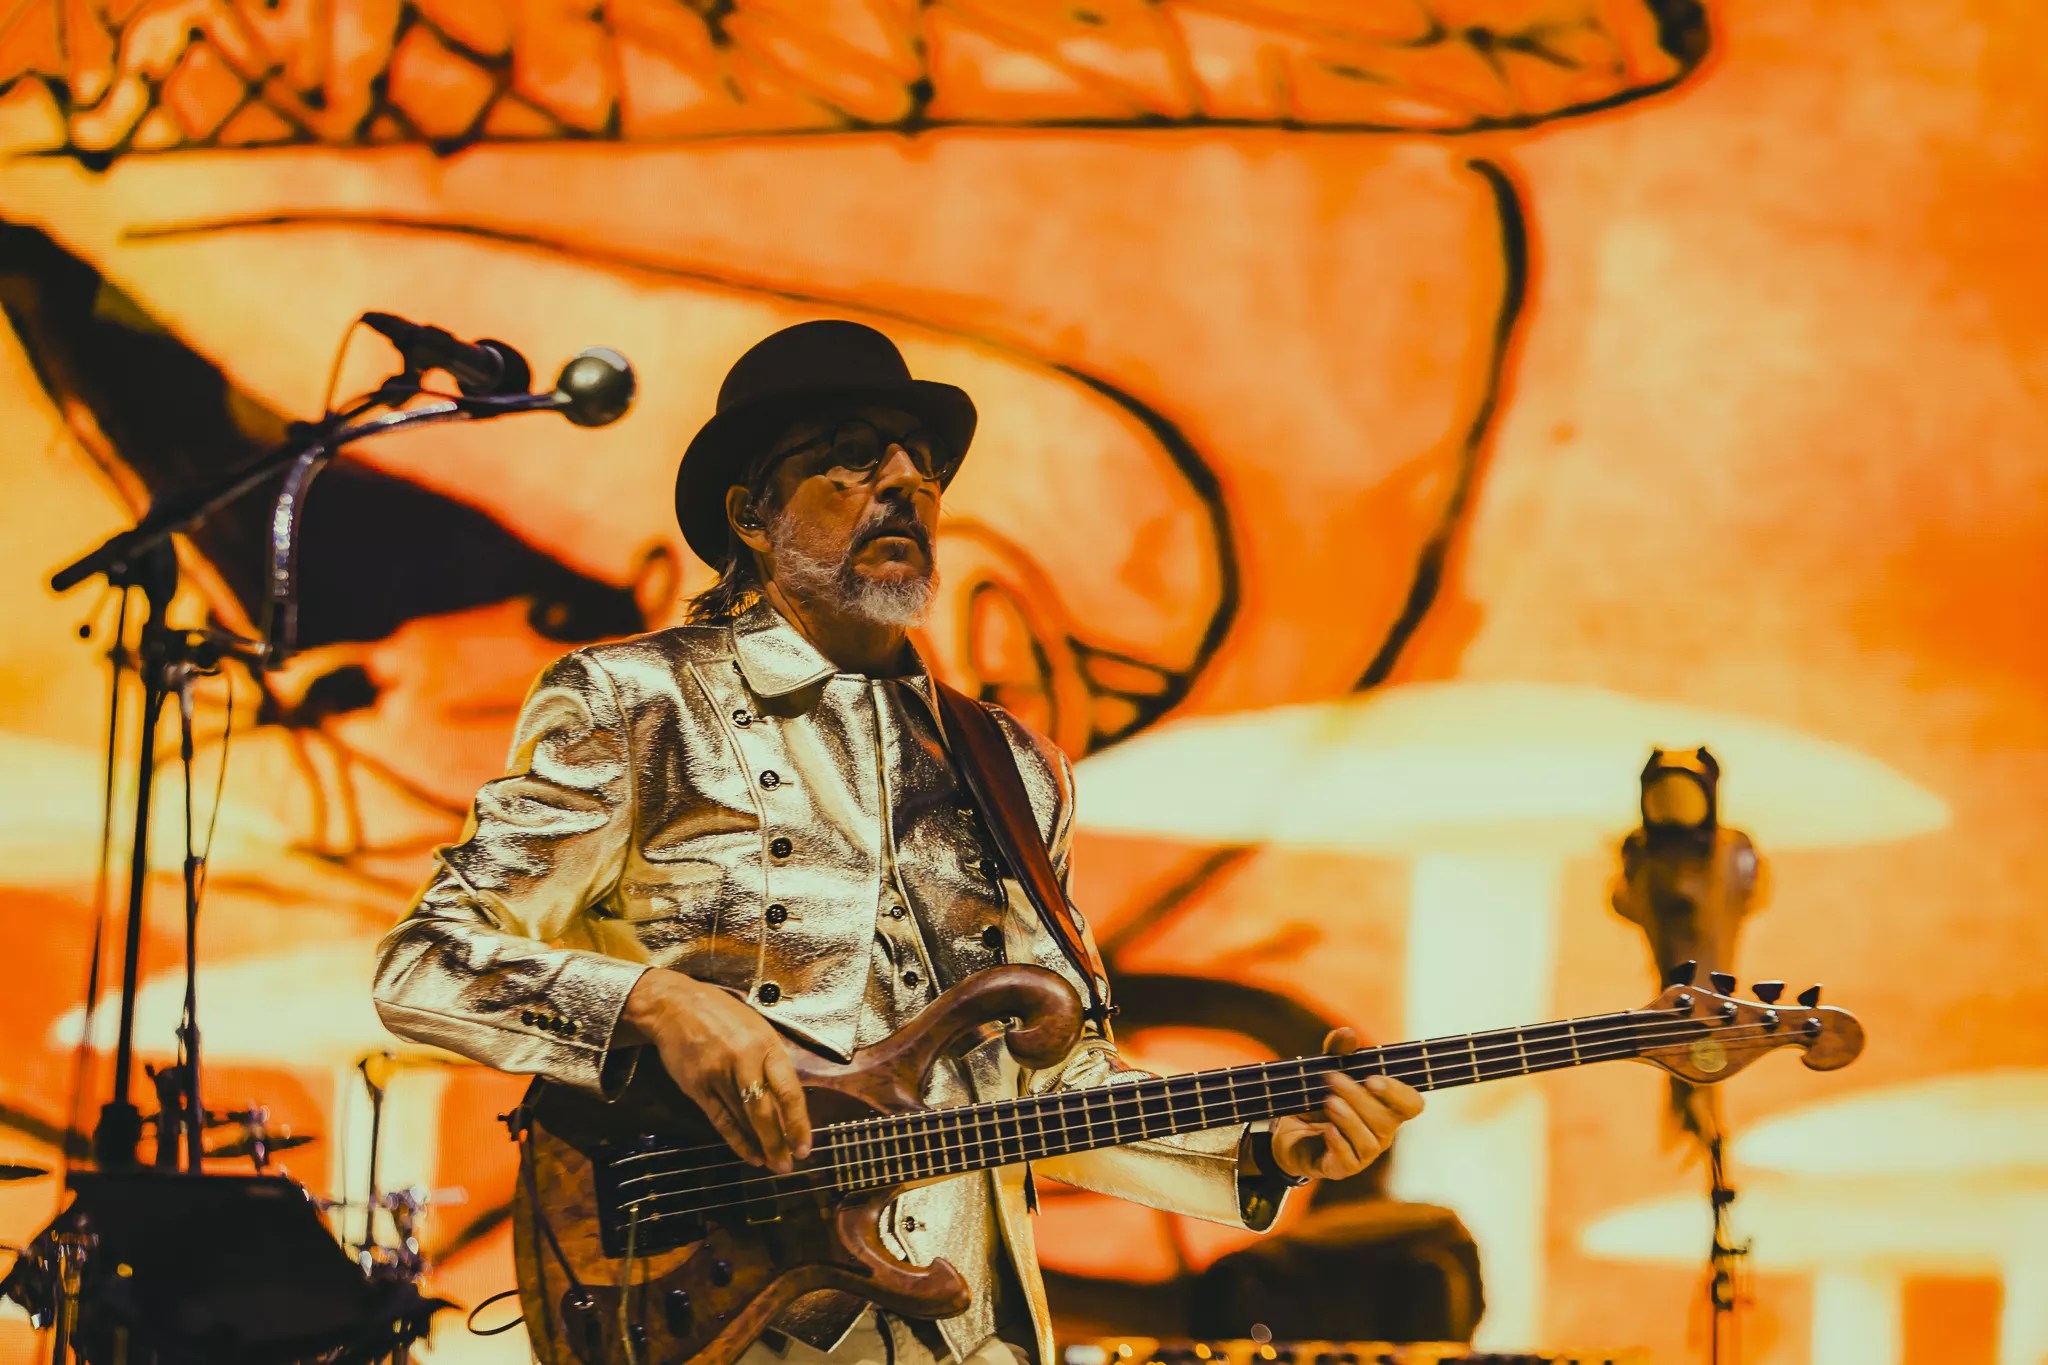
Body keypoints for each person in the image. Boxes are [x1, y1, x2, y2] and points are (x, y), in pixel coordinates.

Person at [371, 320, 1423, 1365]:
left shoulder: (1012, 765)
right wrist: (655, 1003)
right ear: (749, 514)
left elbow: (1042, 1083)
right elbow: (425, 963)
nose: (903, 482)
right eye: (848, 454)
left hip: (969, 1330)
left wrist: (1265, 1143)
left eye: (922, 465)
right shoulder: (637, 703)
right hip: (721, 1318)